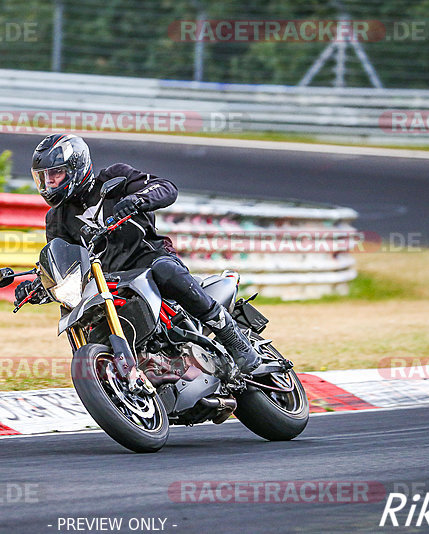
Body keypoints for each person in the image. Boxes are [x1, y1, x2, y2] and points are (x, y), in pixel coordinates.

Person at [15, 133, 260, 375]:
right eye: (44, 178)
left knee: (165, 269)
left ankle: (231, 335)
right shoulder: (56, 218)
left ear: (76, 167)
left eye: (55, 174)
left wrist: (138, 200)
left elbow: (166, 188)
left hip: (148, 259)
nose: (49, 184)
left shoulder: (114, 178)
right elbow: (63, 259)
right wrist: (39, 283)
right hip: (109, 282)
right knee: (80, 316)